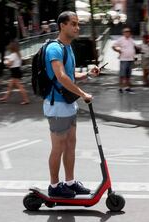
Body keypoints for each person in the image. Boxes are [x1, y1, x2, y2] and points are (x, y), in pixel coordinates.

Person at [44, 11, 100, 198]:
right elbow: (60, 77)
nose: (77, 27)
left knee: (70, 145)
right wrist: (83, 94)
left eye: (78, 24)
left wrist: (88, 74)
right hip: (57, 105)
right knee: (58, 147)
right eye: (73, 24)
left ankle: (69, 182)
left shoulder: (68, 48)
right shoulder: (54, 48)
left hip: (69, 104)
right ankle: (54, 186)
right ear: (62, 26)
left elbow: (70, 75)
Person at [112, 27, 137, 93]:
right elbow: (113, 46)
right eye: (126, 31)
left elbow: (134, 47)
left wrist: (135, 56)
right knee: (122, 74)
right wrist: (118, 50)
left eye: (128, 31)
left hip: (131, 59)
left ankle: (127, 87)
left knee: (128, 75)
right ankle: (120, 87)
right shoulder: (121, 39)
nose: (127, 33)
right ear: (123, 33)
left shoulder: (131, 40)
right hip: (124, 59)